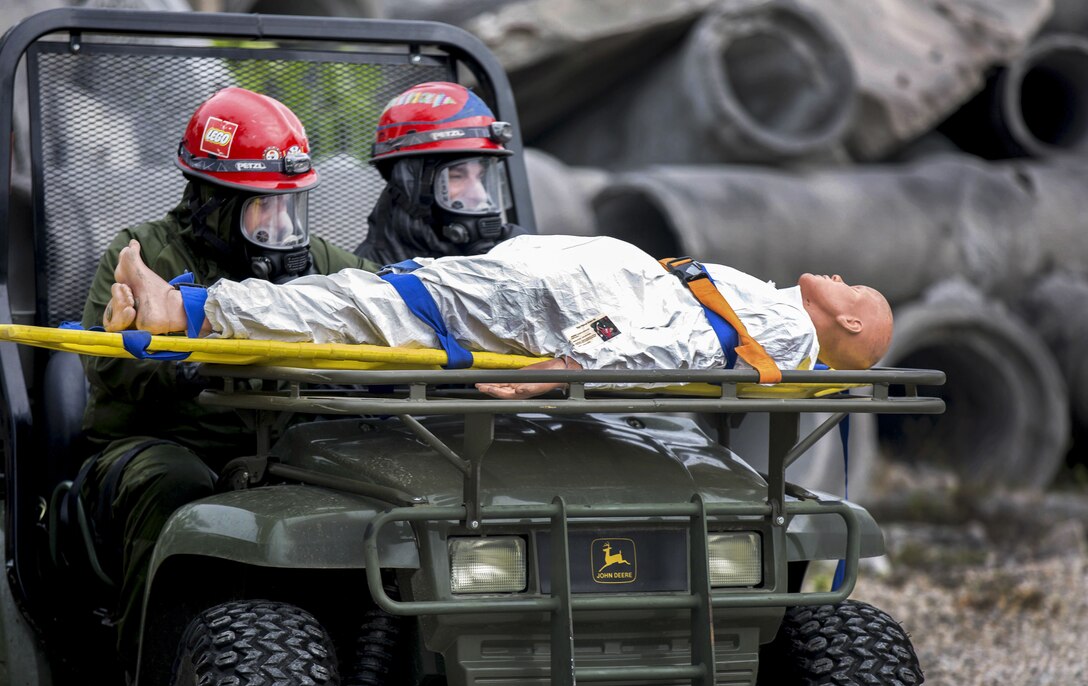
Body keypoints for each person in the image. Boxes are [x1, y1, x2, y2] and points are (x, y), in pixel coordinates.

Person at [80, 87, 377, 686]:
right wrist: (186, 362)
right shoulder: (142, 255)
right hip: (163, 443)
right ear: (213, 203)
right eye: (263, 210)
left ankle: (369, 669)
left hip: (289, 450)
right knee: (173, 481)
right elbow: (108, 366)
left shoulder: (317, 260)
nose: (282, 231)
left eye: (291, 208)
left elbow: (381, 305)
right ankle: (146, 681)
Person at [103, 234, 894, 401]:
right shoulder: (774, 310)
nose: (839, 274)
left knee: (380, 306)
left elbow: (659, 340)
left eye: (854, 289)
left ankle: (184, 307)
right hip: (557, 287)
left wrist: (554, 372)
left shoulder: (774, 337)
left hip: (562, 309)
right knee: (392, 298)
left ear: (851, 329)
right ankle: (189, 305)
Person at [354, 80, 528, 264]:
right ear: (409, 184)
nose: (480, 196)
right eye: (456, 176)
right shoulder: (367, 280)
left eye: (482, 177)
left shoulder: (505, 255)